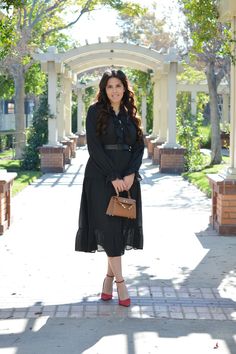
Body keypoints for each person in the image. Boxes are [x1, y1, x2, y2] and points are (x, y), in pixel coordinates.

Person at [75, 69, 144, 307]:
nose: (114, 90)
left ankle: (107, 281)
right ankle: (121, 284)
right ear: (104, 90)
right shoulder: (95, 111)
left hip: (127, 180)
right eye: (109, 86)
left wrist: (131, 174)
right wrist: (113, 176)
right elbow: (94, 147)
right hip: (101, 179)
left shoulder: (130, 114)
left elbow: (139, 147)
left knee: (120, 227)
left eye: (118, 86)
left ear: (125, 88)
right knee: (110, 228)